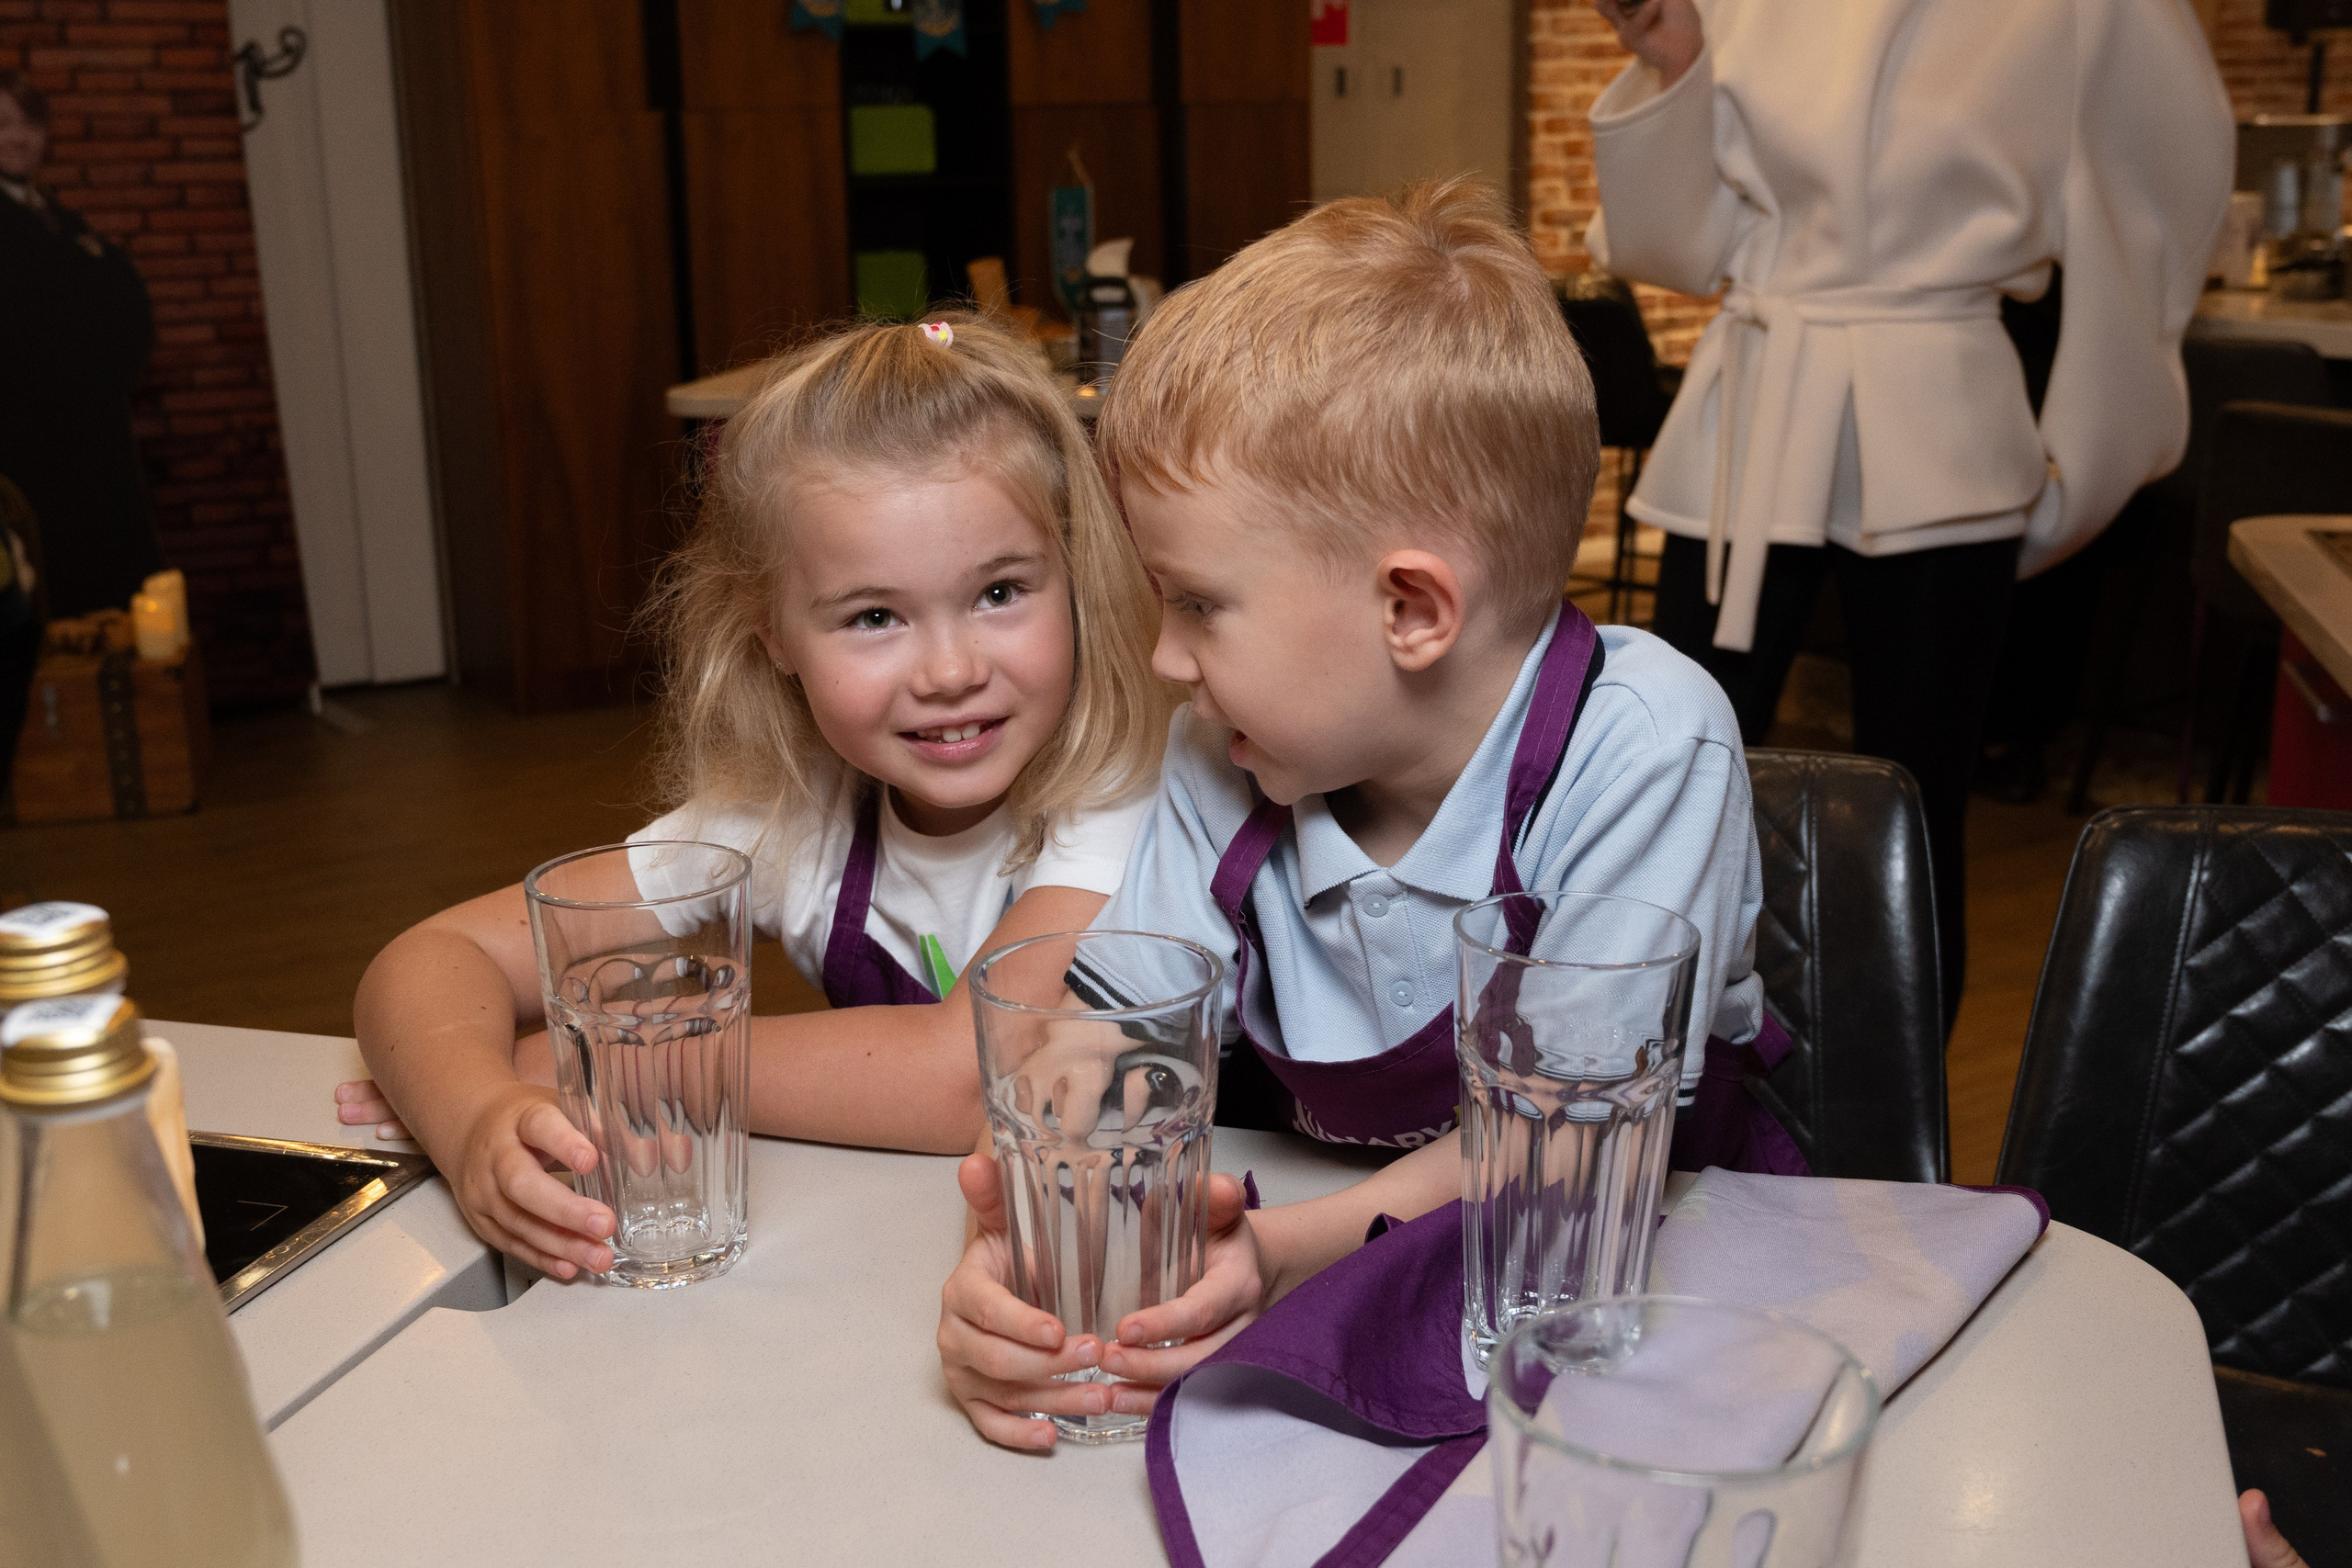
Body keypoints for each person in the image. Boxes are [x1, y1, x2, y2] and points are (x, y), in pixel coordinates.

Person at [935, 180, 1767, 1449]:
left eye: (1200, 604)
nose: (1166, 658)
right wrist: (1039, 1238)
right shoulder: (1228, 750)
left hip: (1641, 1285)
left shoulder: (1645, 743)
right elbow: (1105, 1043)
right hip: (1341, 1242)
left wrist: (1266, 1253)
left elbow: (1556, 1150)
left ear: (1412, 609)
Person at [335, 315, 1172, 1280]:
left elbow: (969, 1076)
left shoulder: (1128, 788)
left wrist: (603, 1062)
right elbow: (435, 956)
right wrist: (475, 1110)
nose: (950, 671)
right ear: (770, 633)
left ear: (1078, 578)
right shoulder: (791, 812)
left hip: (1129, 1267)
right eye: (872, 616)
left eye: (998, 593)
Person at [1586, 0, 2233, 1021]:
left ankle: (1899, 1135)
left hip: (1936, 420)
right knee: (1666, 779)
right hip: (1749, 408)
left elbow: (2153, 193)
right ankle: (1642, 1075)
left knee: (1915, 818)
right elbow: (1677, 247)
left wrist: (2099, 438)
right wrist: (1675, 61)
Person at [0, 72, 165, 618]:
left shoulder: (59, 218)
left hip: (94, 439)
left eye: (30, 123)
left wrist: (109, 381)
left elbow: (124, 300)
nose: (19, 137)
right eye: (2, 123)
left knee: (115, 591)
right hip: (27, 446)